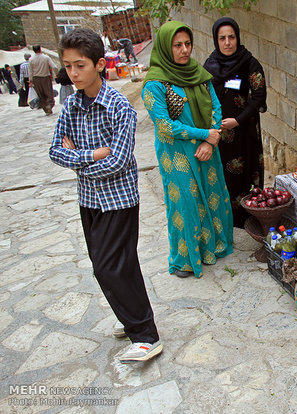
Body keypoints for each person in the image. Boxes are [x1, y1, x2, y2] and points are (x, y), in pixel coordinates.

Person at [49, 28, 162, 363]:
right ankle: (131, 318)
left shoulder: (118, 108)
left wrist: (79, 158)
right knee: (113, 265)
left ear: (100, 64)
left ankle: (146, 336)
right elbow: (55, 151)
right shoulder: (70, 105)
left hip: (119, 199)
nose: (73, 72)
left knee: (109, 267)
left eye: (79, 65)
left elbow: (119, 161)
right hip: (89, 199)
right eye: (68, 66)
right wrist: (91, 155)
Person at [142, 21, 233, 279]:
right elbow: (165, 126)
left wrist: (209, 141)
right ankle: (185, 258)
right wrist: (205, 135)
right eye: (177, 45)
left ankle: (212, 247)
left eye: (187, 44)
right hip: (177, 155)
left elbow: (216, 108)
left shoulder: (198, 75)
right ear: (164, 47)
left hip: (206, 150)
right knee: (186, 203)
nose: (184, 50)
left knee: (212, 195)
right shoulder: (155, 85)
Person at [204, 17, 267, 228]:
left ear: (237, 37)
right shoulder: (210, 66)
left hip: (245, 131)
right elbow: (203, 98)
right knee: (223, 175)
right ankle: (227, 222)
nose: (227, 42)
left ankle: (249, 220)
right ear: (216, 40)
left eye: (231, 37)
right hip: (220, 134)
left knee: (247, 172)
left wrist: (238, 121)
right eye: (222, 38)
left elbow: (259, 96)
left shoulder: (249, 63)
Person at [29, 45, 58, 115]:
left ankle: (46, 109)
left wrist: (30, 81)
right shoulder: (46, 57)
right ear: (40, 49)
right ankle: (49, 105)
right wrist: (57, 74)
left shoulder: (31, 59)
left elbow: (30, 71)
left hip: (36, 79)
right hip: (46, 77)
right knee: (49, 93)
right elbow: (54, 66)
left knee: (41, 95)